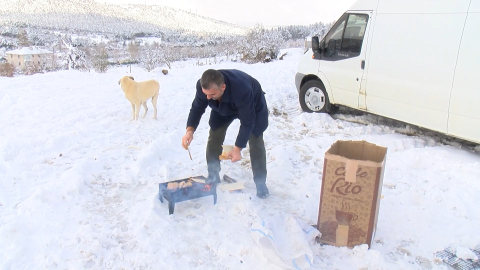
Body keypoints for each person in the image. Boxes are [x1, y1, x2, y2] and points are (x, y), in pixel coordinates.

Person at [181, 69, 270, 199]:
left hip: (252, 106)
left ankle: (261, 183)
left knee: (256, 140)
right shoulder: (204, 88)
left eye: (211, 94)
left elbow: (248, 122)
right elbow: (197, 108)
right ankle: (213, 175)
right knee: (214, 136)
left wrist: (238, 148)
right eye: (206, 94)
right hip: (222, 107)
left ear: (223, 87)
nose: (207, 98)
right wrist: (190, 130)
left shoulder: (242, 89)